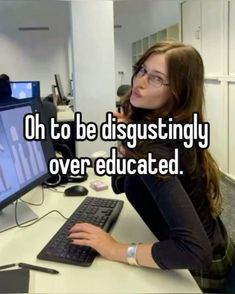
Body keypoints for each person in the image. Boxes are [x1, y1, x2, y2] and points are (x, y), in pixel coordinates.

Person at [68, 41, 235, 293]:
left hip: (204, 271)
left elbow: (195, 251)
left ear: (178, 92)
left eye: (156, 78)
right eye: (142, 70)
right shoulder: (166, 126)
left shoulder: (155, 150)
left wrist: (115, 249)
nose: (139, 82)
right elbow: (121, 183)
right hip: (217, 243)